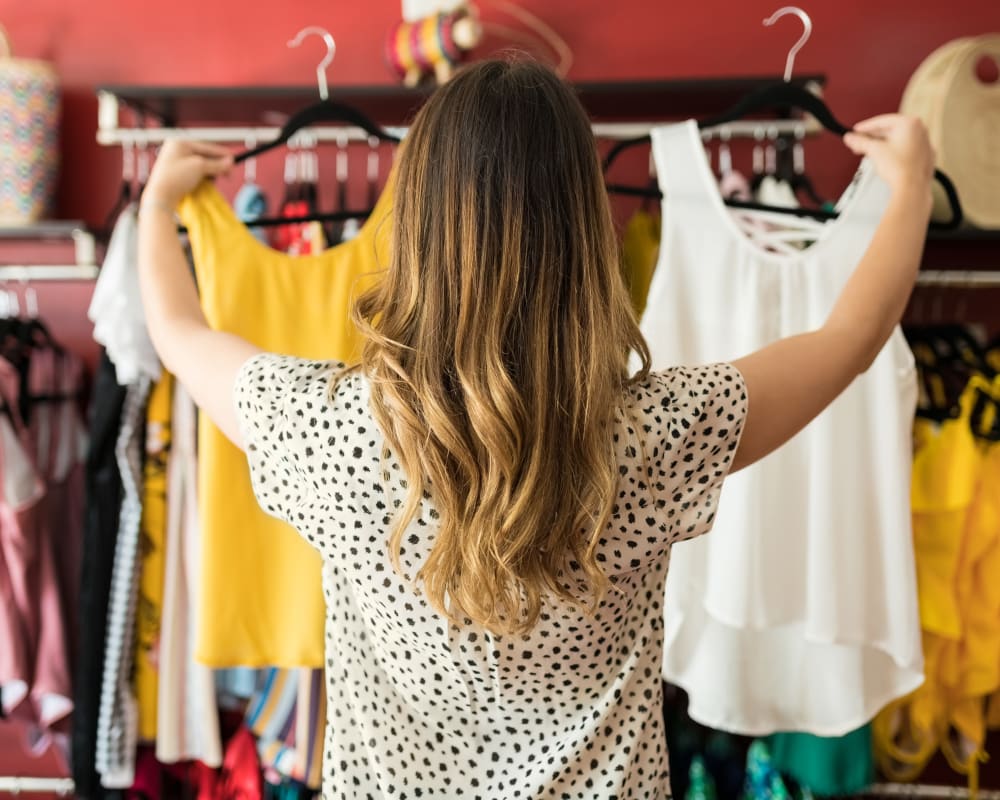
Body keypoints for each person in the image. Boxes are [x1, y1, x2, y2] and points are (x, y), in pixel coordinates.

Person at [137, 59, 933, 800]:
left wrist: (158, 204)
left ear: (414, 226)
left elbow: (178, 331)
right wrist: (911, 190)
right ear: (585, 230)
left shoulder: (336, 430)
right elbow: (848, 342)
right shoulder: (653, 437)